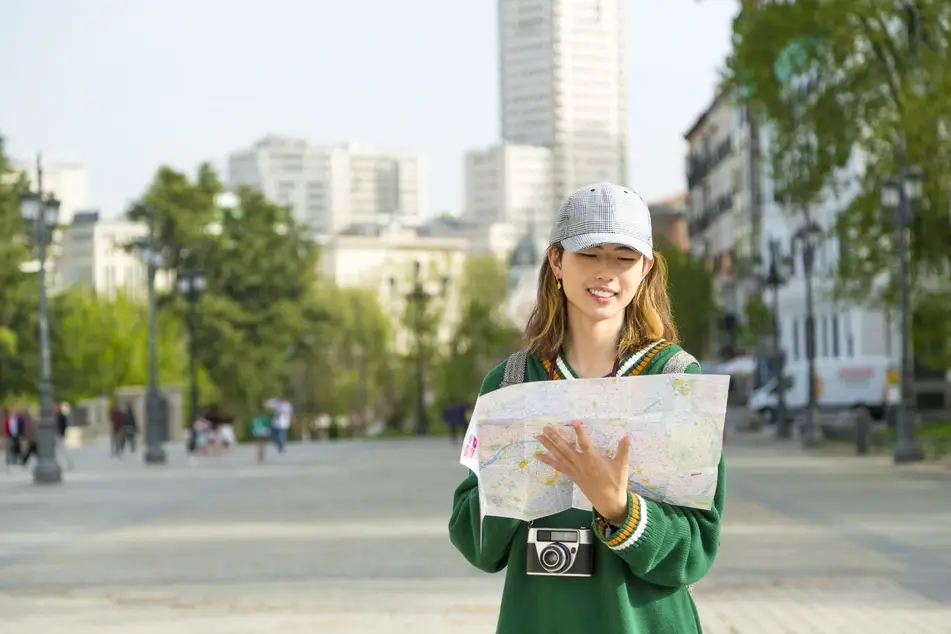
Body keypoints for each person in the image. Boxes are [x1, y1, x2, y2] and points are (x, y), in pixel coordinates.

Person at [447, 183, 726, 634]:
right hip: (539, 621)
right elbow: (477, 545)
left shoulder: (675, 380)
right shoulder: (510, 383)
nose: (606, 273)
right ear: (557, 261)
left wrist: (619, 508)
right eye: (590, 254)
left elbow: (695, 549)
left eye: (623, 258)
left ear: (646, 268)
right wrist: (512, 478)